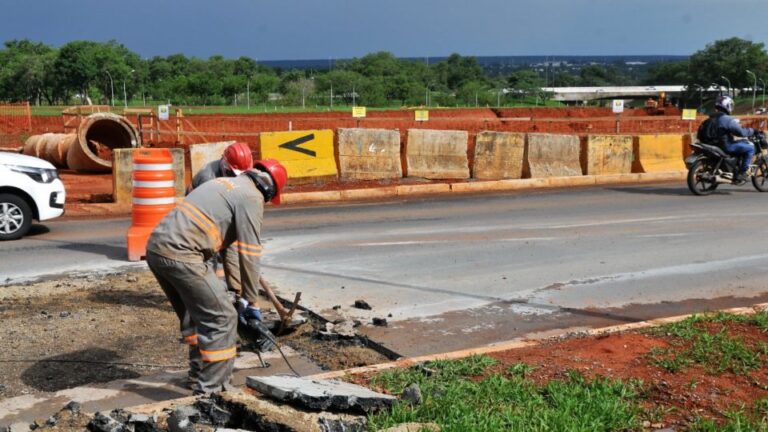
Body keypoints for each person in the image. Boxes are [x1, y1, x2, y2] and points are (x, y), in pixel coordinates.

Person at [146, 159, 287, 394]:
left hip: (156, 249)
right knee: (223, 318)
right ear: (269, 191)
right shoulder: (252, 197)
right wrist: (251, 304)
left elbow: (231, 251)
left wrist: (239, 293)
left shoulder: (224, 184)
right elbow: (250, 253)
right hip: (183, 254)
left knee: (195, 315)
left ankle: (196, 376)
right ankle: (211, 392)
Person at [711, 95, 755, 184]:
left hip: (714, 144)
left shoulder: (711, 117)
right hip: (726, 146)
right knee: (750, 148)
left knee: (741, 143)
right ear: (728, 106)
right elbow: (741, 132)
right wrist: (752, 131)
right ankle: (742, 173)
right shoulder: (727, 119)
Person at [189, 142, 253, 192]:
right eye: (234, 174)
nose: (239, 177)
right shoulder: (208, 179)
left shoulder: (229, 167)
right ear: (226, 167)